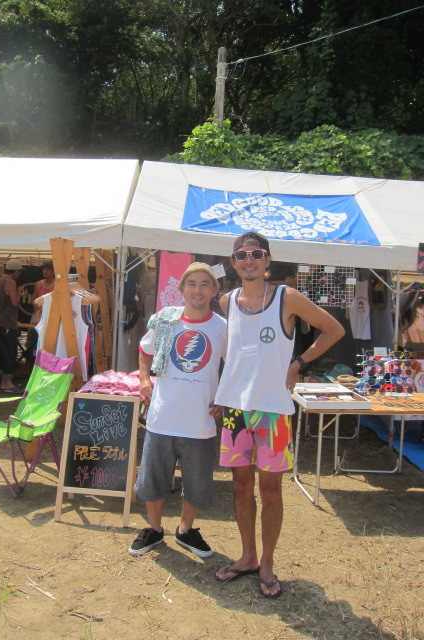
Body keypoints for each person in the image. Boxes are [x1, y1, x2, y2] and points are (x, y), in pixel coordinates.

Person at [214, 232, 344, 597]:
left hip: (273, 411)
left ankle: (267, 562)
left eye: (257, 254)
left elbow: (334, 329)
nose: (249, 260)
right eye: (242, 255)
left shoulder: (287, 297)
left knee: (270, 490)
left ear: (267, 260)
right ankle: (247, 557)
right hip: (235, 410)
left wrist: (299, 363)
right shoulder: (226, 301)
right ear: (233, 262)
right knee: (240, 486)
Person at [128, 263, 227, 558]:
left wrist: (225, 397)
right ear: (182, 288)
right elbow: (145, 351)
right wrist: (144, 379)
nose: (198, 290)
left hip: (200, 420)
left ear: (214, 290)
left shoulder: (222, 327)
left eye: (205, 284)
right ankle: (154, 528)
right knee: (153, 479)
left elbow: (235, 364)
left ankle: (185, 530)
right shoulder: (166, 321)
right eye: (192, 283)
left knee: (197, 483)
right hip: (162, 417)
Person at [0, 258, 26, 392]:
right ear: (15, 271)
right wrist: (19, 293)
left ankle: (4, 382)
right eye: (19, 272)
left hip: (0, 321)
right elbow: (14, 302)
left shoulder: (0, 281)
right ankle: (8, 383)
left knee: (3, 351)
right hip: (8, 322)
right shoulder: (10, 282)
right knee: (9, 352)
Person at [26, 261, 55, 360]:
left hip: (50, 316)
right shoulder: (38, 284)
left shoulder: (56, 285)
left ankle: (45, 360)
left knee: (47, 340)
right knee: (32, 338)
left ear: (53, 271)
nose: (45, 271)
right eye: (44, 269)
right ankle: (31, 360)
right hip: (38, 315)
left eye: (48, 270)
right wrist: (36, 305)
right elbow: (33, 298)